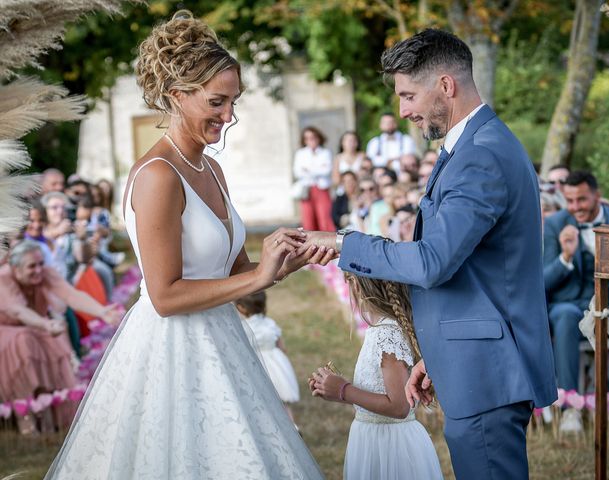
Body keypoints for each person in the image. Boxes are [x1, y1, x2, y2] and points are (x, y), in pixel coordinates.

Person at [45, 11, 326, 479]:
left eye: (234, 102)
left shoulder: (211, 170)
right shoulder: (158, 177)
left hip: (223, 340)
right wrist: (258, 277)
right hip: (172, 351)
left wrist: (291, 257)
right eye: (217, 102)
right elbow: (165, 295)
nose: (228, 116)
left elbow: (237, 274)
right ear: (177, 95)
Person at [303, 29, 556, 479]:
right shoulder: (473, 146)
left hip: (487, 375)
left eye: (407, 95)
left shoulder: (480, 155)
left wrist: (344, 242)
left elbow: (431, 261)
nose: (402, 111)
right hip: (473, 362)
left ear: (445, 85)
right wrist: (435, 355)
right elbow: (480, 273)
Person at [309, 273, 443, 480]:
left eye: (349, 280)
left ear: (359, 286)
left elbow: (399, 407)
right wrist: (334, 390)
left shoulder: (386, 333)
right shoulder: (381, 329)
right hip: (374, 436)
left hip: (389, 445)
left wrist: (345, 391)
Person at [543, 171, 609, 431]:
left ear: (597, 195)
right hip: (570, 305)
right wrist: (565, 256)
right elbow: (542, 281)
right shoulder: (555, 225)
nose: (575, 207)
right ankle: (570, 407)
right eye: (570, 201)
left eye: (582, 200)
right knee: (563, 316)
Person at [0, 240, 121, 433]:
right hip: (7, 332)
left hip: (38, 326)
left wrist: (102, 312)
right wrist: (45, 324)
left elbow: (71, 295)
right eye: (32, 266)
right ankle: (27, 420)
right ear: (15, 267)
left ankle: (54, 419)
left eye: (41, 264)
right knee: (23, 340)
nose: (39, 270)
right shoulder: (3, 279)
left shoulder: (45, 274)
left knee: (50, 338)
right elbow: (18, 312)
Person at [236, 291, 300, 424]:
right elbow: (282, 347)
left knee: (261, 402)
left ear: (241, 307)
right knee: (283, 404)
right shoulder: (270, 323)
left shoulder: (243, 327)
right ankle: (294, 428)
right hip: (276, 364)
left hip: (257, 366)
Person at [293, 126, 336, 232]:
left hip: (322, 189)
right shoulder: (301, 153)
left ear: (318, 138)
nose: (310, 140)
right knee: (308, 221)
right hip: (307, 191)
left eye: (313, 137)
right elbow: (298, 172)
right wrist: (317, 169)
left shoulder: (325, 152)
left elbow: (327, 171)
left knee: (325, 219)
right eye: (307, 138)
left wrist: (308, 170)